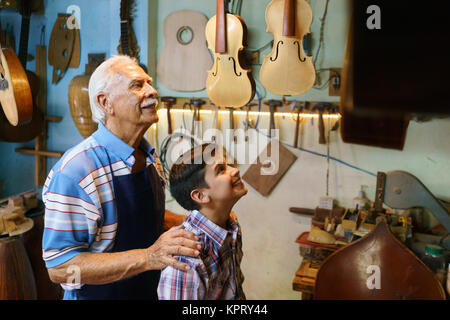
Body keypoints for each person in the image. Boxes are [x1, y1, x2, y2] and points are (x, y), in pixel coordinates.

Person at [42, 55, 200, 300]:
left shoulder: (147, 155)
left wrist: (195, 223)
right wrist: (149, 257)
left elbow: (138, 218)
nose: (153, 91)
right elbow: (60, 269)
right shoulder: (76, 171)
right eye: (137, 85)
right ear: (106, 103)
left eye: (149, 82)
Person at [157, 143, 248, 300]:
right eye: (221, 170)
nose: (235, 170)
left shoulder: (230, 226)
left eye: (228, 165)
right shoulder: (186, 261)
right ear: (200, 196)